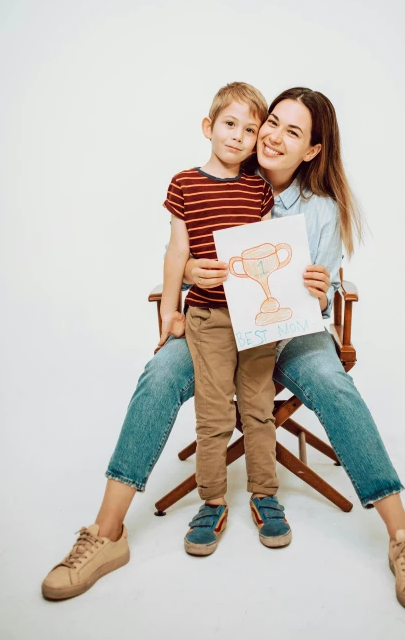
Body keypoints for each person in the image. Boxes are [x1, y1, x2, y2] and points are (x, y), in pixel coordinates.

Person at [41, 86, 405, 614]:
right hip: (217, 326)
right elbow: (184, 245)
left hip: (292, 331)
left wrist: (321, 287)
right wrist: (184, 274)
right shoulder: (227, 170)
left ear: (313, 151)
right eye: (271, 122)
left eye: (292, 132)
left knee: (333, 385)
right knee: (159, 376)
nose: (271, 136)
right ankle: (105, 531)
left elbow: (324, 292)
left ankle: (403, 539)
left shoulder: (321, 209)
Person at [160, 82, 291, 556]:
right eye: (229, 124)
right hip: (208, 318)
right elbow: (178, 251)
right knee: (213, 414)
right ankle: (212, 500)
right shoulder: (184, 183)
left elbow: (263, 251)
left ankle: (265, 495)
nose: (238, 136)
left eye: (250, 129)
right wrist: (169, 311)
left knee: (258, 408)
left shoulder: (258, 188)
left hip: (255, 318)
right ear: (208, 127)